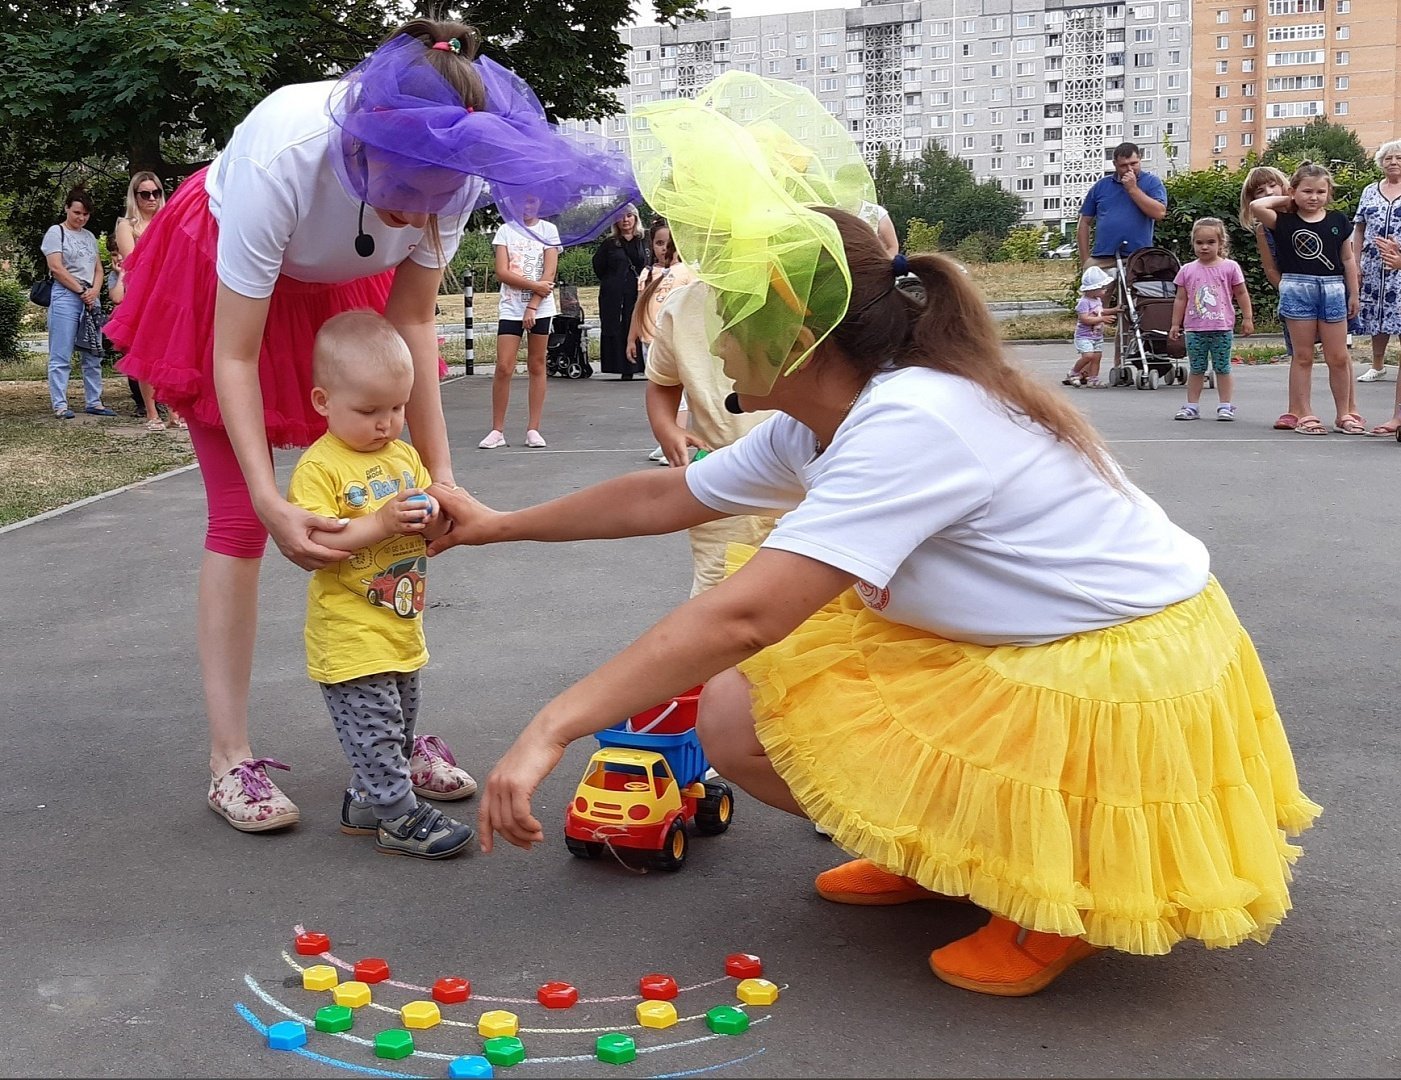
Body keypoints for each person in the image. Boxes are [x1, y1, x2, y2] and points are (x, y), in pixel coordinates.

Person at [427, 79, 1319, 996]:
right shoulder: (818, 421)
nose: (713, 340)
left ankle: (1060, 903)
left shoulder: (912, 421)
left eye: (728, 315)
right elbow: (663, 499)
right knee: (736, 713)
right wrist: (497, 526)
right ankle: (940, 856)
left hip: (1108, 664)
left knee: (768, 669)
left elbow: (743, 616)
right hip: (1013, 636)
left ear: (791, 332)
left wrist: (552, 726)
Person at [103, 19, 636, 833]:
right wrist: (273, 497)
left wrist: (443, 475)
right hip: (223, 280)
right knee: (243, 519)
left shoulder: (454, 179)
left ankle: (388, 739)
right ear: (365, 139)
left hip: (335, 287)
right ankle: (230, 760)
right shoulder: (286, 155)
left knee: (397, 497)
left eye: (435, 196)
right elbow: (234, 358)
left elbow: (414, 325)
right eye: (403, 186)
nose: (413, 211)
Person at [286, 311, 475, 859]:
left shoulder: (403, 456)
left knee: (399, 722)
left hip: (399, 619)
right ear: (324, 402)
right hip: (349, 630)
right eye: (368, 410)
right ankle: (397, 816)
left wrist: (438, 516)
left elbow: (427, 519)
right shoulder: (319, 468)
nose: (386, 423)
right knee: (375, 728)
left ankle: (367, 800)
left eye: (396, 408)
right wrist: (383, 523)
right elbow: (320, 541)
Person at [643, 279, 776, 596]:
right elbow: (663, 382)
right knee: (719, 590)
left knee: (807, 601)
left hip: (805, 481)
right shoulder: (682, 306)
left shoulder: (798, 293)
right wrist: (667, 428)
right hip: (721, 481)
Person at [1251, 163, 1363, 436]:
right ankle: (1304, 412)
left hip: (1334, 289)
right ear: (1293, 191)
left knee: (1338, 356)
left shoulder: (1338, 221)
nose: (1314, 197)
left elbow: (1348, 259)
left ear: (1329, 193)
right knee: (1302, 356)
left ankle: (1344, 414)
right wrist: (1288, 199)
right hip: (1298, 288)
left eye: (1321, 191)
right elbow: (1257, 206)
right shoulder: (1283, 221)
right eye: (1307, 191)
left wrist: (1354, 293)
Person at [479, 194, 560, 449]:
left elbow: (549, 274)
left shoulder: (549, 231)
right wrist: (533, 286)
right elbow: (502, 272)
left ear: (540, 202)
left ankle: (533, 429)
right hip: (511, 308)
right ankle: (497, 430)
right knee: (504, 366)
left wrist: (533, 305)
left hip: (540, 308)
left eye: (532, 201)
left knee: (537, 364)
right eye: (522, 201)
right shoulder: (505, 231)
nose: (527, 206)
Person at [111, 172, 185, 432]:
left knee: (172, 352)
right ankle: (152, 413)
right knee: (145, 353)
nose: (151, 198)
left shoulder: (169, 220)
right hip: (142, 294)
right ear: (136, 196)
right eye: (145, 194)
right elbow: (133, 261)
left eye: (156, 192)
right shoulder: (127, 224)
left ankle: (176, 412)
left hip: (169, 293)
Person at [1168, 217, 1253, 422]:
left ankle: (1225, 405)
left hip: (1221, 327)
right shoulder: (1187, 270)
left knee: (1222, 366)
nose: (1204, 247)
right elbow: (1180, 298)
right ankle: (1192, 405)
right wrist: (1175, 324)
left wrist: (1247, 317)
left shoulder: (1230, 267)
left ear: (1221, 243)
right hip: (1195, 328)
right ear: (1193, 243)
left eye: (1210, 242)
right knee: (1196, 368)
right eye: (1199, 243)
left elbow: (1241, 293)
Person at [41, 187, 113, 420]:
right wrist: (81, 290)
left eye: (85, 214)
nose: (81, 218)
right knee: (61, 353)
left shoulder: (90, 236)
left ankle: (94, 401)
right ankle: (60, 404)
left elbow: (98, 269)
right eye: (77, 213)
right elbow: (56, 268)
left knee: (93, 352)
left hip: (90, 298)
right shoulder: (56, 232)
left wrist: (93, 291)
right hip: (66, 295)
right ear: (67, 209)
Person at [1351, 141, 1401, 411]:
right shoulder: (1370, 191)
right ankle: (1377, 365)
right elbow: (1359, 228)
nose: (1393, 162)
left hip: (1400, 265)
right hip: (1372, 264)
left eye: (1398, 158)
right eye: (1388, 158)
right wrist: (1356, 261)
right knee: (1377, 315)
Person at [1075, 142, 1168, 271]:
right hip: (1103, 257)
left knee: (1135, 291)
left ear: (1140, 159)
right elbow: (1084, 222)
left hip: (1138, 257)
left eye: (1134, 163)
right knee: (1095, 290)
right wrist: (1085, 259)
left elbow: (1159, 213)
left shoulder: (1152, 182)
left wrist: (1133, 189)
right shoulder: (1101, 186)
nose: (1130, 169)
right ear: (1115, 165)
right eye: (1123, 165)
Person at [1238, 166, 1296, 365]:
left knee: (1338, 354)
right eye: (1260, 191)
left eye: (1273, 186)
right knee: (1299, 356)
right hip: (1293, 290)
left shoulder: (1305, 212)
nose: (1269, 193)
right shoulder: (1263, 229)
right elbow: (1270, 269)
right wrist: (1287, 290)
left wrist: (1293, 198)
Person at [592, 204, 647, 379]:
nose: (625, 220)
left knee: (635, 323)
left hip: (637, 289)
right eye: (622, 216)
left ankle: (641, 365)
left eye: (629, 216)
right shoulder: (609, 243)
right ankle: (621, 367)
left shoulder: (644, 240)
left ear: (635, 218)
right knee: (615, 325)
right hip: (613, 292)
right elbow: (599, 266)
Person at [1061, 265, 1118, 388]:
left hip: (1097, 336)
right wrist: (1102, 319)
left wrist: (1114, 310)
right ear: (1093, 289)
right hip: (1084, 336)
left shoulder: (1096, 300)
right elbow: (1085, 319)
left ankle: (1093, 378)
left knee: (1096, 357)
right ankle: (1073, 372)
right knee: (1088, 356)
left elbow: (1100, 311)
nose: (1105, 290)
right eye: (1102, 288)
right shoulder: (1084, 302)